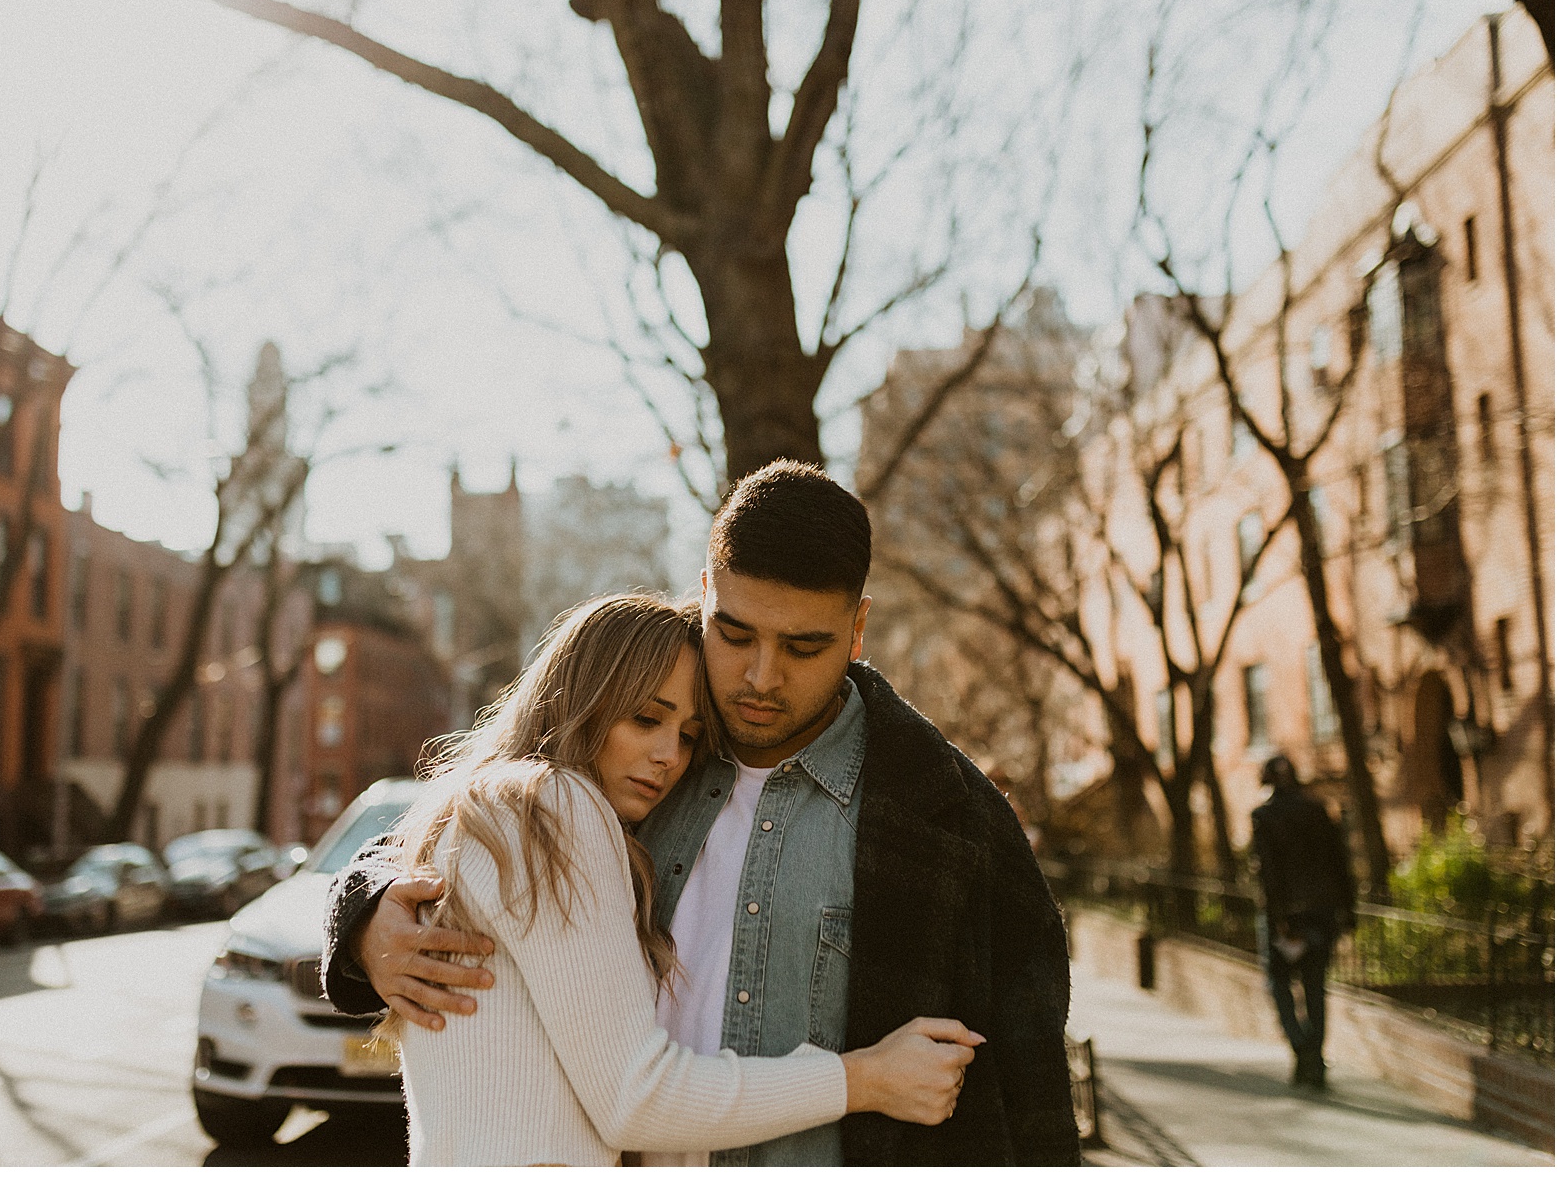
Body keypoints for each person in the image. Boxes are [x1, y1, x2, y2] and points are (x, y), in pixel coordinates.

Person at [325, 461, 1081, 1166]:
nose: (760, 675)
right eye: (735, 631)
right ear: (706, 593)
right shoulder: (629, 754)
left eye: (804, 645)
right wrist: (365, 917)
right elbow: (441, 837)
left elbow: (1032, 1095)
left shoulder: (949, 817)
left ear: (857, 629)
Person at [375, 592, 981, 1165]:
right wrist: (866, 1078)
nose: (669, 755)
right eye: (645, 719)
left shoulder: (481, 814)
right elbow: (634, 1098)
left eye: (689, 736)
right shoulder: (553, 805)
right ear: (577, 699)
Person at [1251, 753, 1356, 1089]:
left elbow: (1267, 871)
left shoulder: (1263, 816)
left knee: (1278, 983)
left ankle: (1303, 1050)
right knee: (1314, 987)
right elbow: (1341, 862)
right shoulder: (1317, 811)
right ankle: (1313, 1059)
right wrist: (1348, 910)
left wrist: (1279, 917)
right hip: (1323, 912)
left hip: (1285, 915)